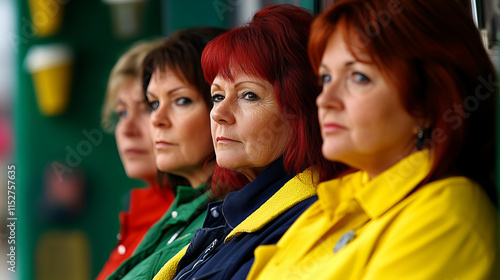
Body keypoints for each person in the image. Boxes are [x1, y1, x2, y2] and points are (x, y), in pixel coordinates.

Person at [247, 0, 499, 279]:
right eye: (327, 78)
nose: (325, 100)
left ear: (428, 101)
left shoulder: (446, 218)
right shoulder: (334, 202)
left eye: (358, 77)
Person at [153, 5, 345, 280]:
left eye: (249, 95)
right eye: (217, 96)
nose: (218, 113)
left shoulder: (310, 219)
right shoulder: (235, 213)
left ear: (303, 110)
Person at [105, 26, 230, 280]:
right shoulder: (180, 211)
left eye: (181, 100)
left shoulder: (228, 215)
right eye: (154, 104)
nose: (156, 120)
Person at [96, 40, 175, 280]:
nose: (127, 129)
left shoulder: (201, 218)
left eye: (147, 107)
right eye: (121, 112)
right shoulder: (141, 211)